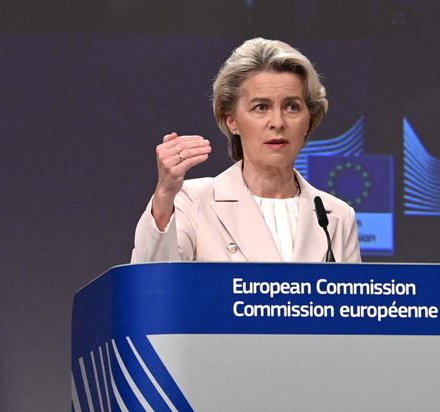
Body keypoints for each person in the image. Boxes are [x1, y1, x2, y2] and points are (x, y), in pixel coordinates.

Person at [131, 38, 361, 264]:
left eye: (292, 107)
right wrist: (164, 195)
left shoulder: (337, 216)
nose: (278, 122)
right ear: (231, 121)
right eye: (261, 107)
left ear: (308, 120)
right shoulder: (193, 202)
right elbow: (153, 281)